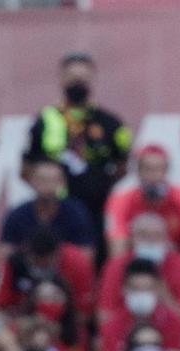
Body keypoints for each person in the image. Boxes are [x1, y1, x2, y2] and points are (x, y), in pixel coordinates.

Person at [24, 53, 132, 234]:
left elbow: (122, 165)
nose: (78, 84)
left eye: (83, 79)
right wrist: (47, 189)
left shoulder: (111, 123)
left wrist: (99, 185)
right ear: (62, 79)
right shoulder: (43, 121)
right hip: (55, 213)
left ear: (92, 80)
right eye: (73, 78)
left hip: (96, 210)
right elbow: (26, 168)